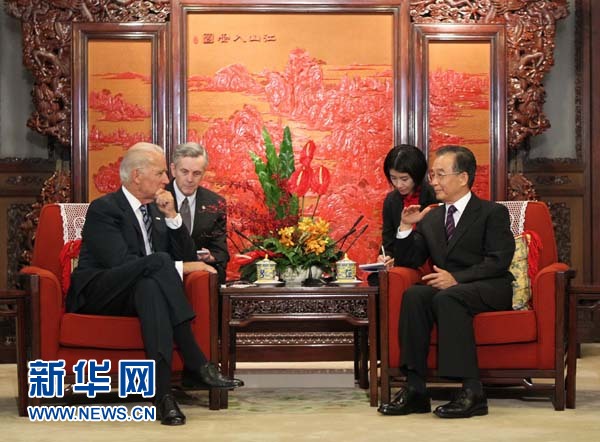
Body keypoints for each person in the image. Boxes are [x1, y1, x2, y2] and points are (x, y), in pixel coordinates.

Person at [65, 142, 242, 426]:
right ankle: (195, 360)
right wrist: (182, 265)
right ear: (137, 176)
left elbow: (182, 256)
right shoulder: (105, 209)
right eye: (160, 173)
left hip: (139, 293)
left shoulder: (157, 210)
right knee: (157, 262)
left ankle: (163, 396)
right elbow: (123, 264)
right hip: (102, 292)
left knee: (150, 287)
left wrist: (173, 217)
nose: (165, 180)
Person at [378, 145, 515, 418]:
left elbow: (499, 260)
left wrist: (456, 278)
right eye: (432, 175)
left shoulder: (491, 212)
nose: (433, 182)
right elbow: (409, 261)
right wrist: (405, 228)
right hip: (448, 288)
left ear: (463, 178)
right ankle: (416, 389)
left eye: (440, 175)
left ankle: (472, 391)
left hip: (490, 286)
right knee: (415, 295)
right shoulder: (432, 217)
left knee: (447, 296)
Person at [166, 142, 230, 284]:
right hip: (165, 275)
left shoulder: (215, 203)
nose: (190, 179)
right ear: (173, 169)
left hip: (200, 278)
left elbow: (221, 252)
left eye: (196, 173)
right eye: (184, 172)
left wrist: (210, 257)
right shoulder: (157, 198)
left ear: (203, 173)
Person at [378, 144, 437, 268]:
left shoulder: (434, 196)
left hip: (428, 262)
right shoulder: (391, 200)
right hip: (401, 263)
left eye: (404, 179)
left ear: (417, 175)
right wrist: (386, 255)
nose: (399, 185)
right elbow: (388, 240)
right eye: (393, 178)